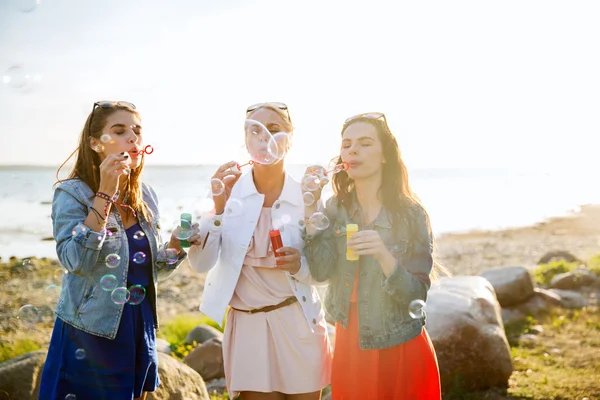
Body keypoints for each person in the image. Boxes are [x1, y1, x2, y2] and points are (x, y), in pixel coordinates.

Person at [39, 101, 193, 400]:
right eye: (120, 131)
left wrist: (176, 246)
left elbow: (146, 274)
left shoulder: (145, 195)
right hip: (91, 332)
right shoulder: (71, 193)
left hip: (139, 326)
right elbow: (76, 262)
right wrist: (104, 193)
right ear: (96, 143)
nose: (133, 137)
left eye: (137, 131)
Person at [188, 102, 332, 400]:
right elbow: (200, 265)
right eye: (256, 130)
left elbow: (325, 274)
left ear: (290, 139)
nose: (265, 136)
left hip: (299, 324)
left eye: (275, 129)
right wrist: (217, 208)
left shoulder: (307, 196)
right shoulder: (228, 193)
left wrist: (300, 265)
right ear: (246, 141)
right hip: (248, 326)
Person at [303, 112, 442, 399]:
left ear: (384, 156)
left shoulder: (411, 215)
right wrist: (310, 209)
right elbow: (318, 271)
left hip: (399, 342)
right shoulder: (333, 209)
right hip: (351, 344)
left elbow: (417, 293)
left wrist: (383, 255)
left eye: (365, 143)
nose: (352, 150)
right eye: (347, 144)